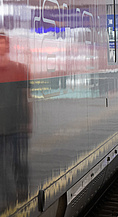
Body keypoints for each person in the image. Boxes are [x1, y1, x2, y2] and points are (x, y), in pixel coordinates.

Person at [0, 32, 31, 212]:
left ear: (8, 47)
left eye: (3, 44)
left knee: (19, 163)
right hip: (2, 128)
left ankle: (22, 192)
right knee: (4, 165)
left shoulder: (18, 68)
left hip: (17, 126)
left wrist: (28, 123)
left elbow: (26, 97)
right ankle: (10, 200)